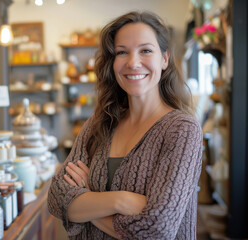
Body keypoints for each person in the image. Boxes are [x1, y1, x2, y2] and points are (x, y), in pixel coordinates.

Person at [48, 11, 203, 240]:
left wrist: (88, 199)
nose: (133, 62)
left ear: (165, 59)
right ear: (112, 62)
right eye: (122, 52)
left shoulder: (182, 130)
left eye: (146, 50)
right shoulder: (99, 123)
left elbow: (157, 230)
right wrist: (123, 201)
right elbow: (56, 198)